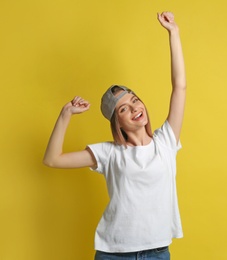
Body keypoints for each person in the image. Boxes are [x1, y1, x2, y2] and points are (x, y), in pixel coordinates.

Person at [43, 11, 186, 260]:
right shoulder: (109, 153)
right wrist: (66, 113)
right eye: (123, 109)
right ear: (117, 122)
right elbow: (53, 159)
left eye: (134, 101)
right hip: (114, 255)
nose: (134, 109)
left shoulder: (166, 141)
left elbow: (179, 86)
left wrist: (173, 33)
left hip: (157, 252)